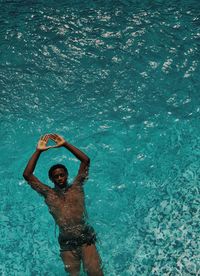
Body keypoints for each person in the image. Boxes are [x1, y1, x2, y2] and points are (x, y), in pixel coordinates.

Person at [23, 133, 103, 276]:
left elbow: (85, 160)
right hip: (66, 243)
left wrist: (65, 144)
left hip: (85, 238)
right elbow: (27, 175)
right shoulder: (49, 194)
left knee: (95, 273)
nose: (59, 178)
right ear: (51, 179)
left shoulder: (77, 187)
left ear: (67, 175)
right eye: (56, 176)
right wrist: (38, 151)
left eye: (62, 175)